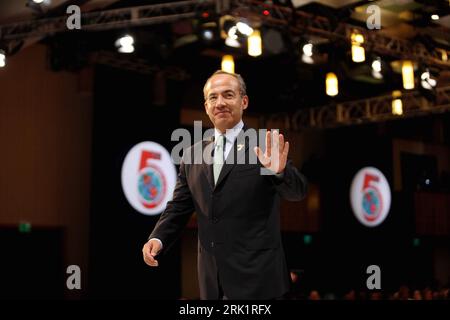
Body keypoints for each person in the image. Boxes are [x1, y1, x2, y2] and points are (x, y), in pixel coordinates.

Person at [142, 70, 308, 300]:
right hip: (211, 278)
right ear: (206, 105)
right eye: (213, 97)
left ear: (244, 101)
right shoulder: (192, 154)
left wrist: (280, 172)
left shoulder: (262, 145)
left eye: (228, 95)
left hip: (258, 278)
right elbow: (179, 206)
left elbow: (297, 192)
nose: (220, 102)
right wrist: (157, 237)